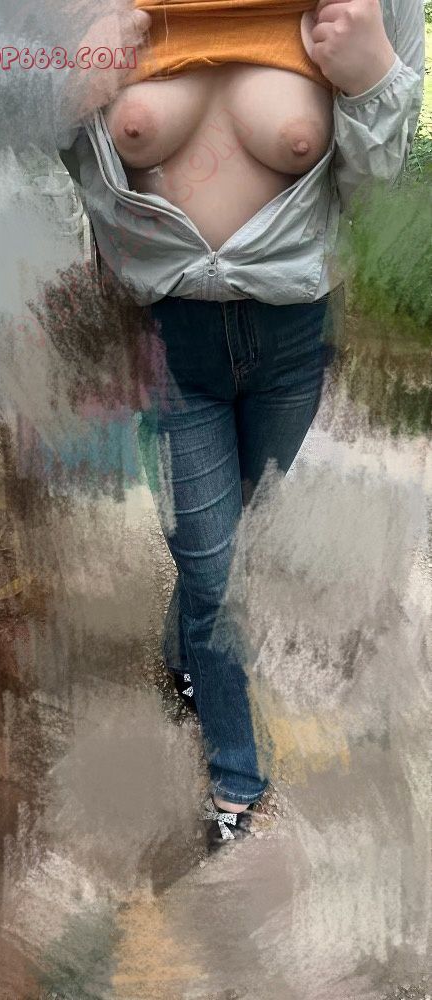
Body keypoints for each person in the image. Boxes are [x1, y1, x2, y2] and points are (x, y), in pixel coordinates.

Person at [59, 0, 425, 849]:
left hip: (291, 339)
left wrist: (374, 77)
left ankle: (182, 651)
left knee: (232, 543)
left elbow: (375, 180)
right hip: (171, 344)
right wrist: (62, 93)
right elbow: (41, 145)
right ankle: (236, 775)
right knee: (217, 572)